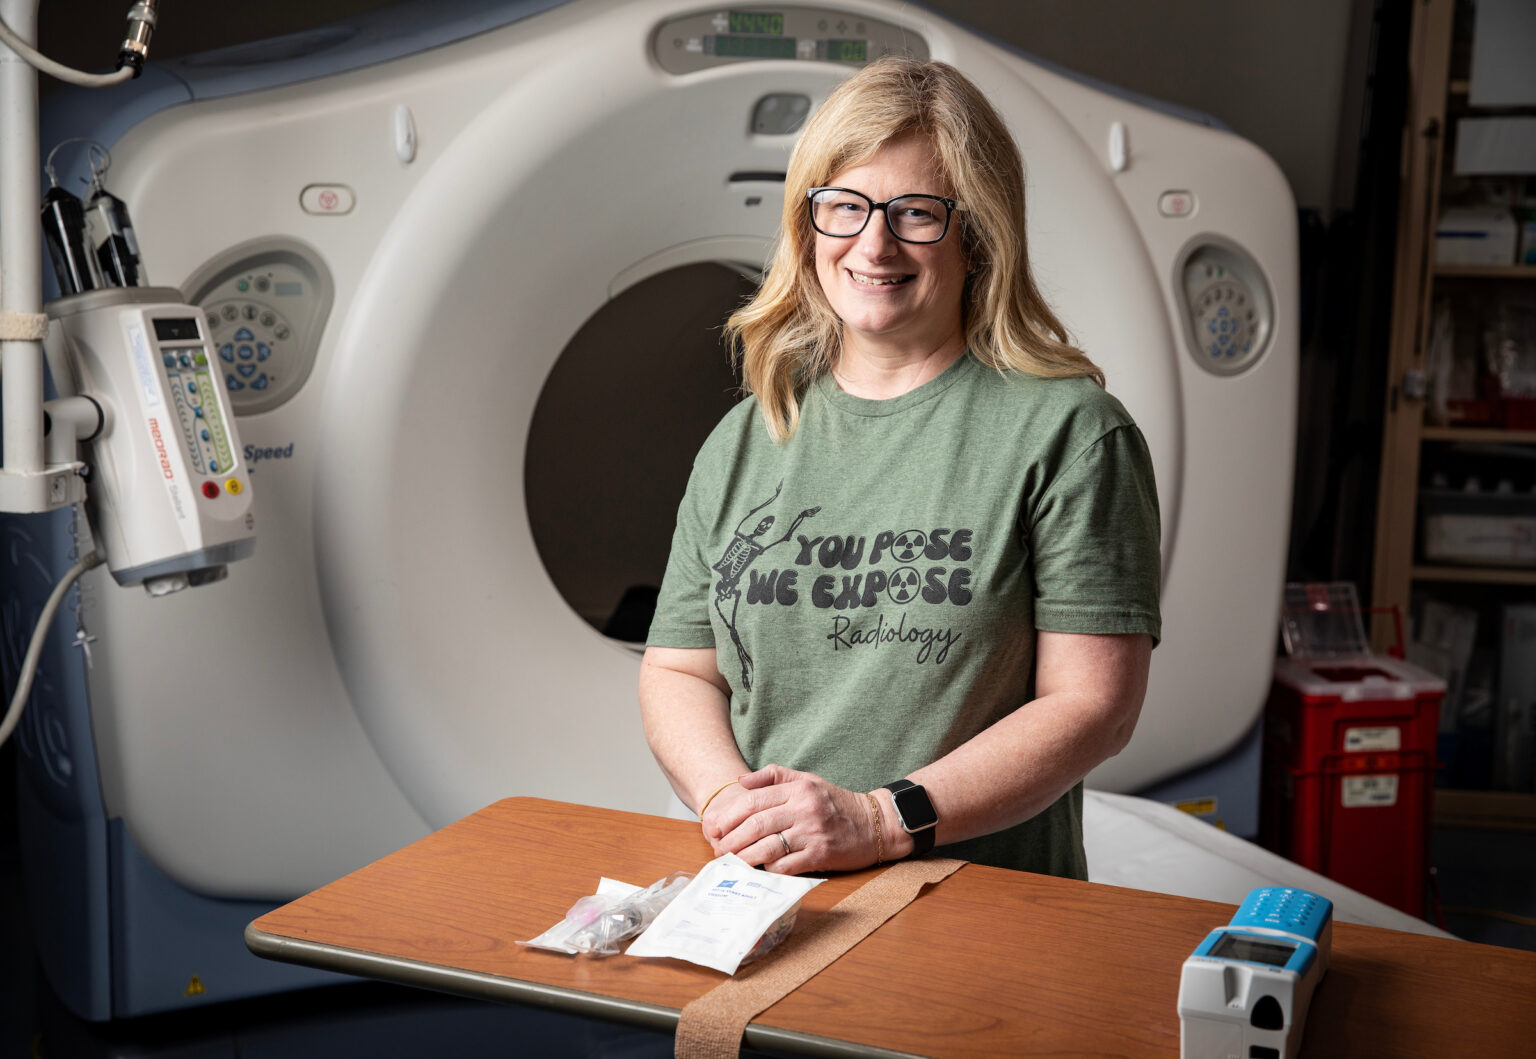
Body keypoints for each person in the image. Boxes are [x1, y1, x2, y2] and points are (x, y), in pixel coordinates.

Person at [639, 56, 1160, 879]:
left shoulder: (1069, 434)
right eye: (843, 206)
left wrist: (879, 819)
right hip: (767, 895)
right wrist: (734, 810)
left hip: (977, 902)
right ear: (808, 226)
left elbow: (1093, 706)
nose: (873, 243)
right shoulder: (747, 438)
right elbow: (678, 667)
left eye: (915, 212)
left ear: (977, 233)